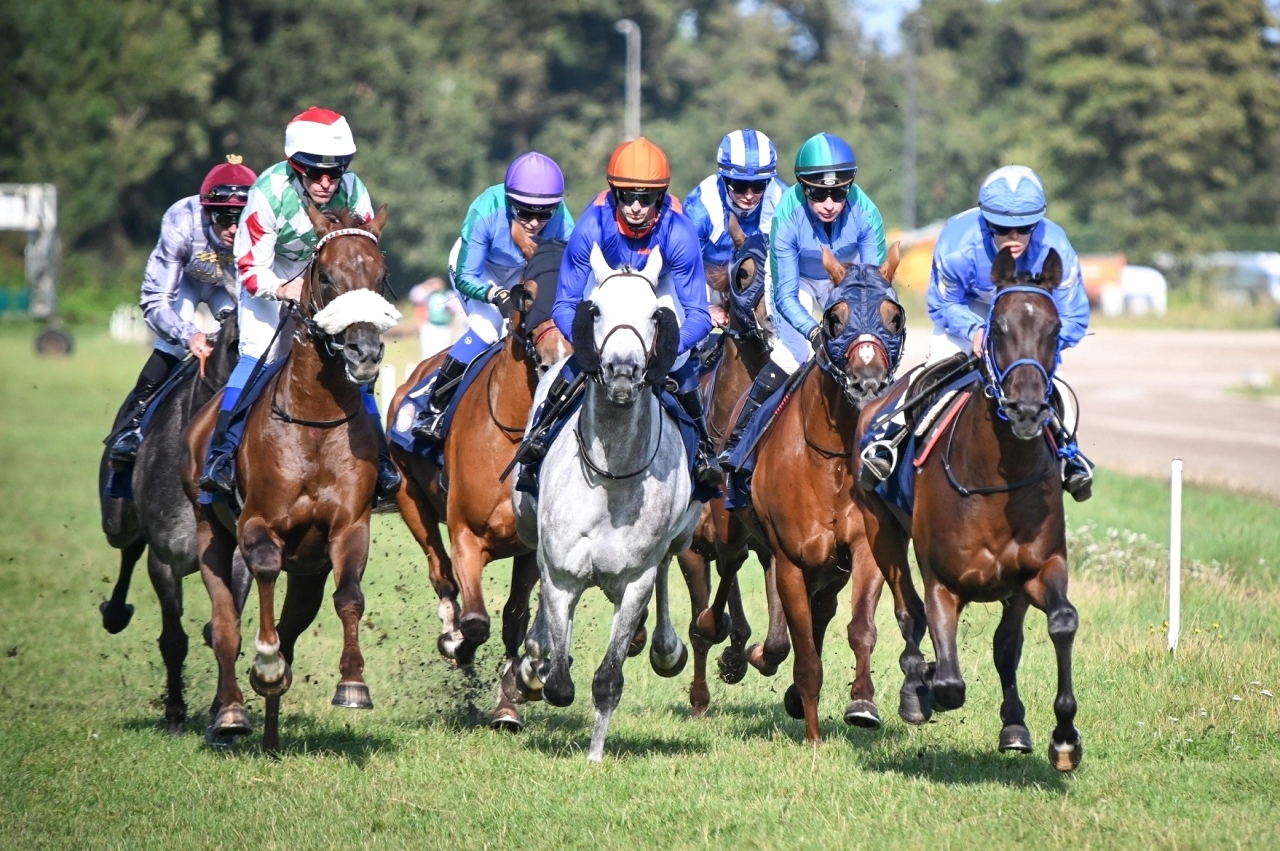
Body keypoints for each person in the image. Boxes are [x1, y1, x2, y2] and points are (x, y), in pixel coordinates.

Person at [857, 165, 1094, 501]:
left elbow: (1074, 315)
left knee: (1050, 379)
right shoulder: (957, 244)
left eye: (1025, 228)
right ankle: (885, 439)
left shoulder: (1056, 246)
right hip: (968, 311)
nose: (1014, 238)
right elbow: (942, 302)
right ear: (987, 221)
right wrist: (975, 332)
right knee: (935, 367)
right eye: (1003, 228)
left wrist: (1036, 346)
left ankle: (1071, 456)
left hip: (1026, 323)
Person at [198, 106, 400, 501]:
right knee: (257, 355)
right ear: (295, 166)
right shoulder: (267, 192)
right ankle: (221, 455)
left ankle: (381, 459)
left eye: (335, 172)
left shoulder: (354, 188)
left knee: (357, 359)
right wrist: (285, 289)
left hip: (329, 282)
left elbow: (362, 250)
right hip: (272, 276)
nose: (326, 183)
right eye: (314, 172)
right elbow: (249, 268)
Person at [515, 137, 722, 490]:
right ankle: (540, 436)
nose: (636, 207)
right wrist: (586, 344)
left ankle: (703, 451)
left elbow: (699, 315)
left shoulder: (679, 230)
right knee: (585, 351)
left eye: (647, 198)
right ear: (614, 193)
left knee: (676, 361)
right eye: (627, 196)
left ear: (661, 196)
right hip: (605, 279)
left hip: (659, 284)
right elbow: (564, 305)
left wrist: (667, 348)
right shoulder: (592, 225)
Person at [719, 132, 887, 464]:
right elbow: (785, 295)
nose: (829, 203)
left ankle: (882, 439)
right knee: (793, 354)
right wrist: (814, 332)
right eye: (819, 193)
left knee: (868, 350)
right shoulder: (787, 214)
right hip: (796, 280)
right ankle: (738, 442)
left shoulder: (868, 213)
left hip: (844, 278)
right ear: (803, 187)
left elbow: (873, 289)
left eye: (839, 192)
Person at [105, 155, 257, 468]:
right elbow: (156, 300)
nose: (233, 228)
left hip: (230, 287)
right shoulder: (182, 219)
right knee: (173, 341)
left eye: (240, 219)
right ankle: (133, 426)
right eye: (223, 218)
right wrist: (188, 335)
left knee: (248, 339)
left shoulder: (262, 227)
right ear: (207, 212)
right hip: (187, 282)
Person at [410, 152, 574, 443]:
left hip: (521, 270)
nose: (534, 222)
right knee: (488, 328)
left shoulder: (561, 218)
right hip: (478, 267)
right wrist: (495, 294)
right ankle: (433, 408)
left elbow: (570, 270)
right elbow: (467, 276)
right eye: (525, 212)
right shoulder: (485, 210)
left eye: (544, 214)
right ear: (510, 201)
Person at [684, 129, 788, 326]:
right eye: (740, 185)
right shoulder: (700, 208)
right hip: (706, 284)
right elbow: (683, 267)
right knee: (696, 328)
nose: (749, 195)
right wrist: (705, 306)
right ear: (724, 179)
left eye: (759, 185)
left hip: (762, 284)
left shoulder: (783, 201)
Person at [409, 276, 459, 359]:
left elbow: (455, 307)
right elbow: (414, 296)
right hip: (430, 325)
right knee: (428, 352)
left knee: (443, 350)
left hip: (444, 326)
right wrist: (427, 285)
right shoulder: (427, 294)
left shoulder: (448, 294)